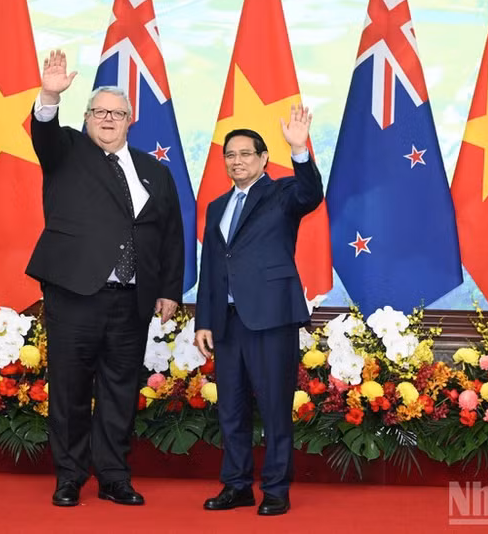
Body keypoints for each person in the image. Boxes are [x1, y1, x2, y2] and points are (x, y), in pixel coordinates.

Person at [26, 49, 185, 507]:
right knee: (71, 391)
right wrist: (49, 95)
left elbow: (170, 234)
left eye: (117, 113)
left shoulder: (155, 171)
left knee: (119, 393)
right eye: (99, 112)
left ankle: (114, 477)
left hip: (131, 301)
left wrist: (169, 290)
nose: (108, 119)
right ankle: (70, 477)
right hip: (76, 294)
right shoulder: (68, 152)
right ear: (87, 117)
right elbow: (45, 133)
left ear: (130, 121)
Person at [195, 106, 324, 516]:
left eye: (246, 154)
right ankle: (236, 485)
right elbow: (212, 266)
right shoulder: (217, 206)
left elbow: (311, 194)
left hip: (271, 318)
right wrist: (204, 321)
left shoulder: (283, 192)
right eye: (230, 155)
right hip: (228, 323)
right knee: (230, 409)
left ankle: (275, 488)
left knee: (273, 407)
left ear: (264, 158)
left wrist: (300, 149)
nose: (237, 161)